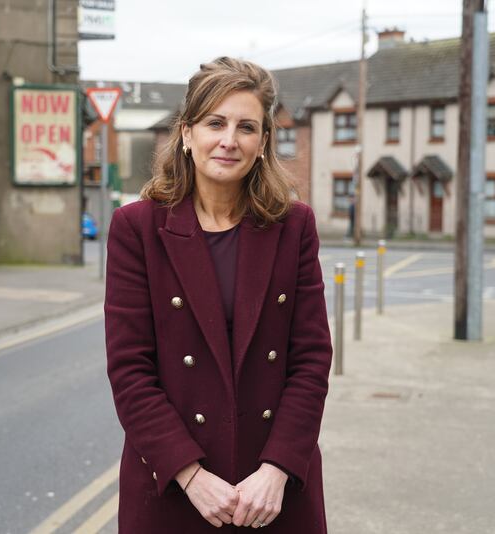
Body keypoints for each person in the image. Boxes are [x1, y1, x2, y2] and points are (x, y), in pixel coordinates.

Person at [104, 57, 333, 533]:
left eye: (246, 127)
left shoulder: (294, 227)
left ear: (263, 142)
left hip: (272, 490)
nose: (229, 140)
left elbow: (311, 358)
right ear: (186, 134)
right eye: (215, 123)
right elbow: (130, 370)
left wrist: (278, 469)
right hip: (173, 487)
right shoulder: (137, 229)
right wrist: (189, 475)